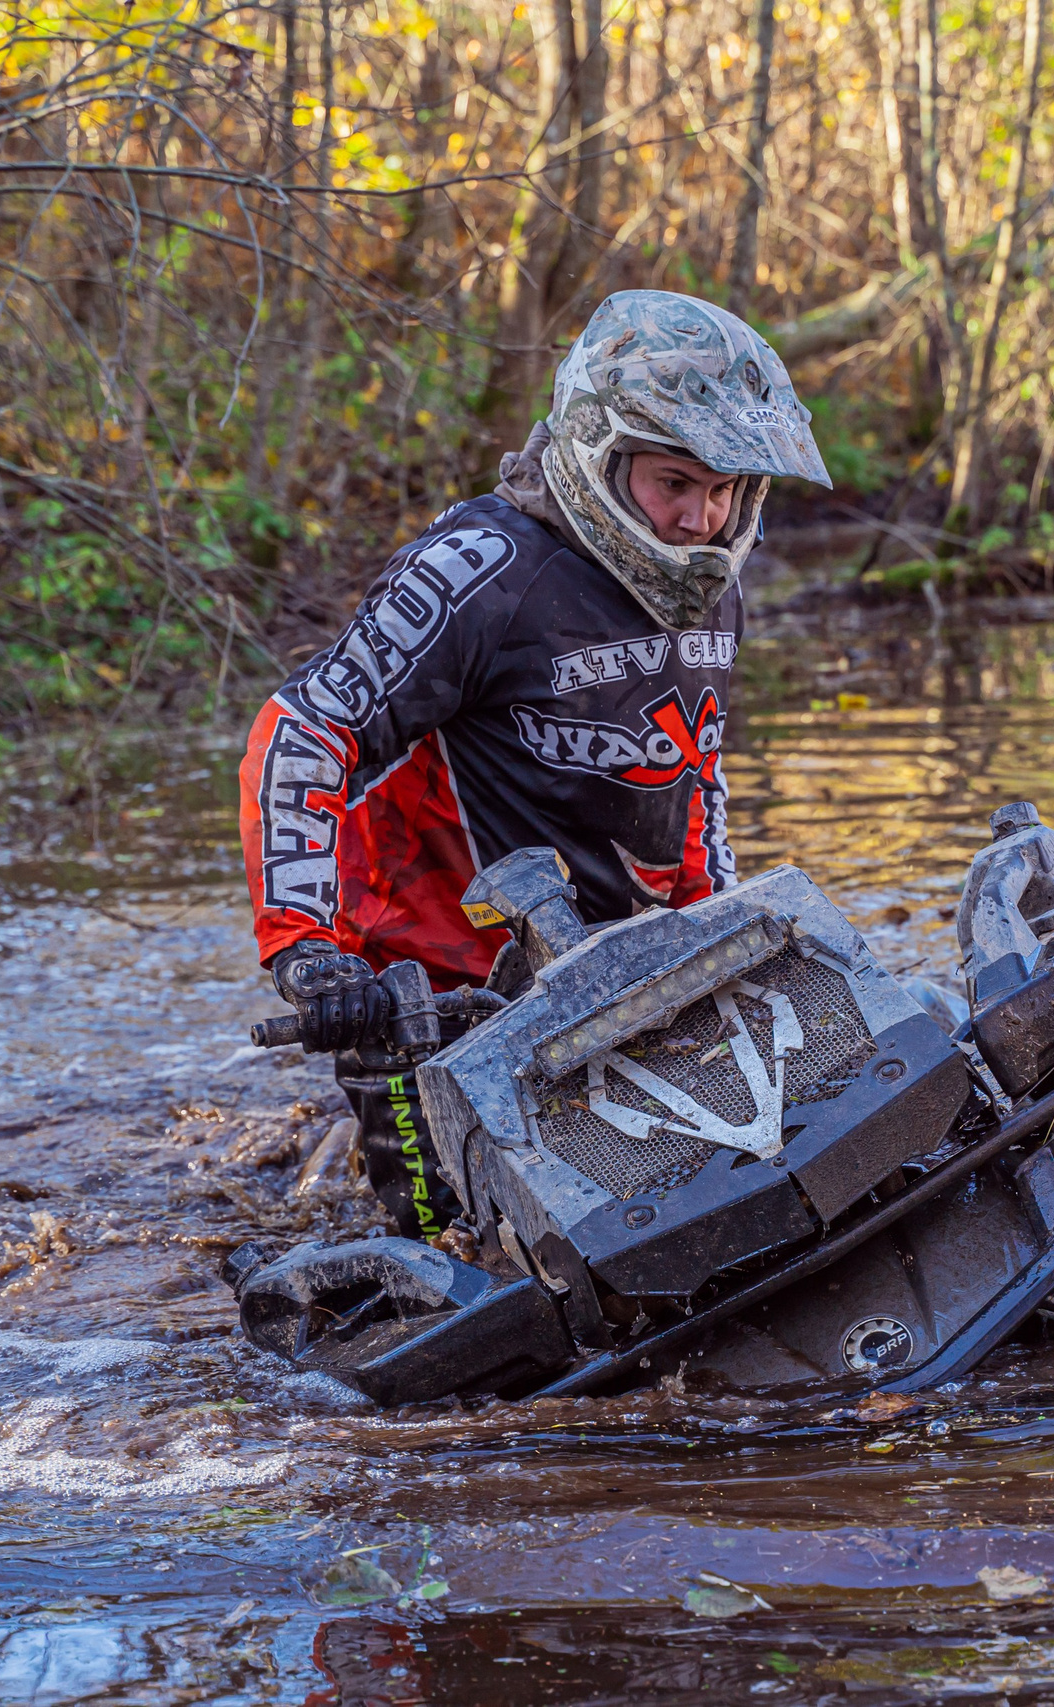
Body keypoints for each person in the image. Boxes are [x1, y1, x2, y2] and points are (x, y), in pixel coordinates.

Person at [237, 290, 832, 1238]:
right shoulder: (478, 570)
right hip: (432, 1003)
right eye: (676, 482)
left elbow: (693, 775)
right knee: (459, 1260)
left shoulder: (714, 593)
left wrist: (717, 936)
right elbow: (304, 730)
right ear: (605, 451)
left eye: (726, 490)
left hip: (611, 977)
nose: (700, 517)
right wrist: (307, 954)